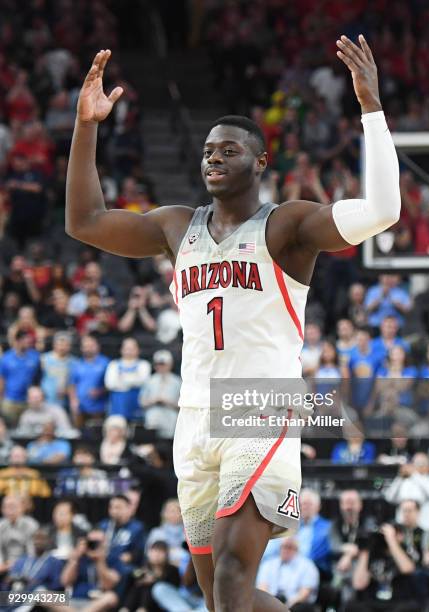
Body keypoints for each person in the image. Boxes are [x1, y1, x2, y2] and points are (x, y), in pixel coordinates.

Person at [66, 37, 401, 611]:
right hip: (193, 415)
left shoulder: (287, 226)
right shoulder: (177, 226)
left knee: (231, 574)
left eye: (228, 150)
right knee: (219, 595)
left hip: (259, 403)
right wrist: (86, 126)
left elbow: (382, 212)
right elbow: (85, 221)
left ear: (261, 162)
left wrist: (371, 107)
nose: (213, 158)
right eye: (207, 151)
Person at [60, 528, 129, 611]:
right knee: (42, 596)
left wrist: (100, 561)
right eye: (91, 542)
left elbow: (108, 585)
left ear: (105, 543)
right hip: (73, 600)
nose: (94, 545)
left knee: (111, 597)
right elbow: (65, 581)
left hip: (97, 602)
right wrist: (75, 559)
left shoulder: (112, 558)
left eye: (98, 542)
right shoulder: (80, 557)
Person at [385, 453, 429, 530]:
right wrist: (400, 477)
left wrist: (414, 474)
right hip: (403, 527)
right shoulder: (405, 482)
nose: (416, 466)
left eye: (420, 463)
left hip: (426, 527)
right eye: (414, 463)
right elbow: (389, 497)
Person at [257, 537, 319, 611]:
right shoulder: (268, 564)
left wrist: (285, 606)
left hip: (295, 605)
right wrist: (273, 605)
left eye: (290, 547)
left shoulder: (308, 566)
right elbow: (262, 587)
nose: (286, 550)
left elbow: (305, 593)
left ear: (297, 549)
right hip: (270, 602)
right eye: (283, 547)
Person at [119, 540, 181, 612]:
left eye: (160, 552)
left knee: (150, 587)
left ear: (167, 555)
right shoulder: (144, 567)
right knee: (138, 586)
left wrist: (154, 580)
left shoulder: (172, 571)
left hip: (160, 604)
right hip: (138, 600)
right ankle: (126, 609)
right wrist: (142, 578)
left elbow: (171, 588)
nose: (157, 555)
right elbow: (134, 575)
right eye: (154, 551)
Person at [0, 329, 41, 426]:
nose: (28, 343)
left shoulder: (35, 356)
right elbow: (1, 379)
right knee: (11, 427)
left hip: (29, 400)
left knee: (28, 429)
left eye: (29, 341)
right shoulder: (6, 358)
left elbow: (39, 377)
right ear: (18, 341)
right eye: (26, 341)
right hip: (10, 400)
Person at [104, 337, 150, 421]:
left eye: (132, 348)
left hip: (137, 403)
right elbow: (110, 384)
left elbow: (144, 382)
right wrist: (133, 378)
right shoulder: (113, 364)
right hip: (117, 403)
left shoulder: (144, 364)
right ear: (121, 350)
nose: (129, 351)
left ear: (138, 350)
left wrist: (122, 378)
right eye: (126, 348)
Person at [69, 334, 109, 426]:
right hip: (80, 408)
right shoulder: (77, 364)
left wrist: (100, 391)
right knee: (78, 433)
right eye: (85, 346)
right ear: (81, 348)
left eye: (91, 346)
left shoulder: (105, 363)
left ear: (97, 346)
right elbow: (72, 384)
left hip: (99, 407)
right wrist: (73, 400)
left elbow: (111, 385)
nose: (88, 348)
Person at [139, 349, 181, 436]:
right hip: (152, 418)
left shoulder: (177, 381)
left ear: (170, 364)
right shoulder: (149, 380)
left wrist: (167, 402)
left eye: (163, 364)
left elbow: (182, 404)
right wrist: (153, 401)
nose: (161, 367)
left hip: (171, 418)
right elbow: (141, 402)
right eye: (158, 364)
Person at [98, 494, 145, 568]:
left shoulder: (137, 528)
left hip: (124, 567)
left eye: (118, 507)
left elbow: (138, 553)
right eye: (111, 507)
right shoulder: (103, 526)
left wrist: (130, 556)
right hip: (103, 565)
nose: (114, 511)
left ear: (128, 509)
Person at [0, 494, 39, 574]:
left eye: (12, 506)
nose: (9, 510)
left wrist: (15, 565)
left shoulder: (31, 525)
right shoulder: (1, 526)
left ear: (21, 508)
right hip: (4, 566)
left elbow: (31, 553)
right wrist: (2, 565)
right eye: (5, 507)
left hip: (25, 567)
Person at [145, 498, 188, 568]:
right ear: (163, 513)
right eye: (169, 511)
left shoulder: (188, 533)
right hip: (161, 569)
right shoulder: (156, 532)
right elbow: (150, 554)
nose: (172, 514)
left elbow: (188, 555)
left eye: (176, 511)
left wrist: (169, 553)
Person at [40, 331, 77, 408]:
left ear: (70, 346)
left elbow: (75, 383)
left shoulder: (74, 362)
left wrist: (67, 391)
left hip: (65, 402)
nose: (62, 347)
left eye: (65, 345)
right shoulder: (44, 359)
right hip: (46, 401)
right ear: (54, 345)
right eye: (60, 344)